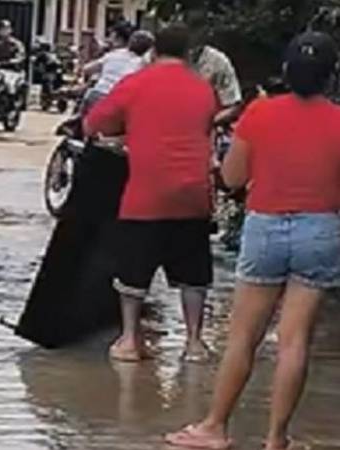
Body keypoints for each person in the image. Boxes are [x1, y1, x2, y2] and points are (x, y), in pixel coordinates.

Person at [166, 32, 340, 450]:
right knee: (294, 340)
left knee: (243, 336)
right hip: (321, 229)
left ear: (285, 70)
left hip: (265, 226)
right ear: (331, 76)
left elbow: (233, 178)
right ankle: (277, 438)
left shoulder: (259, 113)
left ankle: (214, 428)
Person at [84, 24, 218, 363]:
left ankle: (130, 340)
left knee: (133, 271)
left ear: (154, 51)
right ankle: (194, 343)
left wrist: (125, 132)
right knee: (193, 275)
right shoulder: (202, 89)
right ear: (189, 54)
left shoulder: (136, 83)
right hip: (194, 196)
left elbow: (95, 124)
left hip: (146, 195)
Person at [80, 26, 153, 113]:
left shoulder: (114, 54)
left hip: (95, 95)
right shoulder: (143, 64)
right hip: (116, 101)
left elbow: (87, 69)